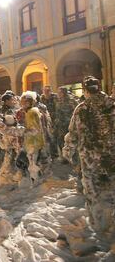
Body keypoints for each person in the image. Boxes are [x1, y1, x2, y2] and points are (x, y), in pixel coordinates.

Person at [63, 76, 115, 235]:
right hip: (111, 156)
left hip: (90, 159)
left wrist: (67, 151)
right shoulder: (112, 105)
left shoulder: (82, 109)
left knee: (93, 191)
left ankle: (98, 224)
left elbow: (73, 135)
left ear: (85, 91)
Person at [21, 92, 45, 185]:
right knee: (34, 163)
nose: (22, 104)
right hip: (35, 142)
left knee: (32, 164)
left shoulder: (31, 113)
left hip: (33, 143)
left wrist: (23, 130)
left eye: (24, 102)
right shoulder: (34, 111)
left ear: (29, 103)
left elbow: (34, 130)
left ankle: (35, 184)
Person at [55, 87, 78, 161]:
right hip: (60, 125)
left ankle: (72, 158)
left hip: (69, 125)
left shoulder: (72, 101)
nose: (58, 94)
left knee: (71, 141)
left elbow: (76, 112)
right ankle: (64, 157)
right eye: (58, 92)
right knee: (61, 141)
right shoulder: (59, 101)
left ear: (64, 93)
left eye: (60, 92)